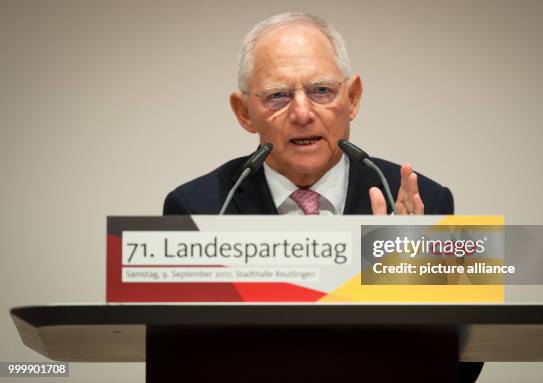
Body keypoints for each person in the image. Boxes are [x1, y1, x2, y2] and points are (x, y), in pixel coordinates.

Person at [163, 12, 481, 382]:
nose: (302, 113)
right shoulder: (199, 210)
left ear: (353, 98)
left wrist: (413, 284)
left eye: (321, 91)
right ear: (243, 112)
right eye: (278, 96)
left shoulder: (423, 201)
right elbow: (180, 364)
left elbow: (462, 367)